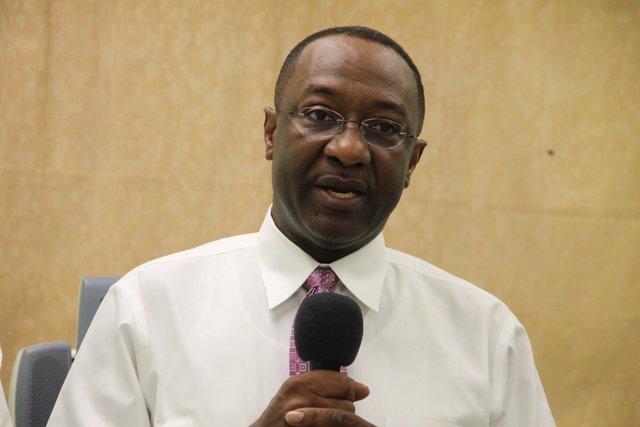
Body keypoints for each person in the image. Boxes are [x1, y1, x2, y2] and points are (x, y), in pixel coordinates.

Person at [48, 26, 555, 426]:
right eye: (320, 114)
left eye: (384, 128)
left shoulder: (488, 337)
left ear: (412, 163)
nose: (349, 149)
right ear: (272, 133)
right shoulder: (146, 308)